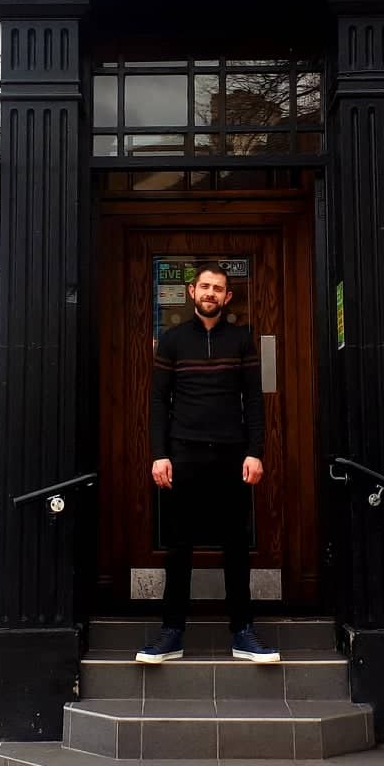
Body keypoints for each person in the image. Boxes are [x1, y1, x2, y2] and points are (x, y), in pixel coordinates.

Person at [136, 263, 279, 664]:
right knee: (179, 545)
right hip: (184, 453)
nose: (210, 293)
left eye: (218, 288)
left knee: (236, 545)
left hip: (232, 454)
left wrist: (255, 451)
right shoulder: (172, 340)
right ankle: (171, 633)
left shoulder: (241, 340)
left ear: (227, 297)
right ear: (191, 292)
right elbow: (157, 400)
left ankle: (243, 632)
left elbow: (254, 400)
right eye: (205, 287)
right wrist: (159, 454)